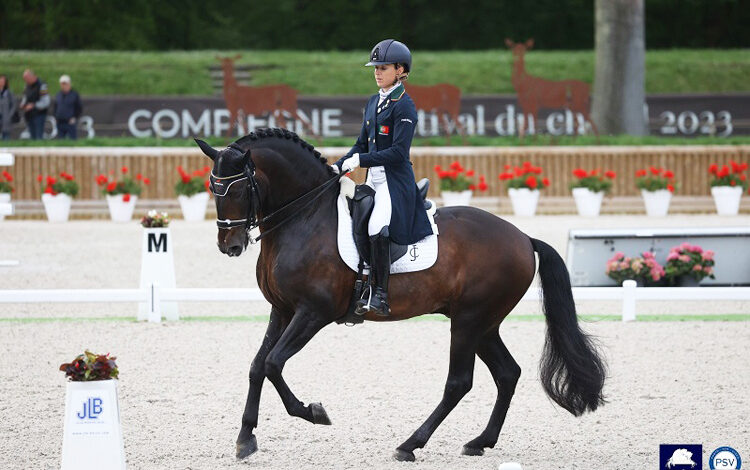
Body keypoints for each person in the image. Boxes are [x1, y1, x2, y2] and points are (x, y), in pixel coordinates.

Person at [332, 39, 432, 317]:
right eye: (375, 67)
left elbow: (398, 153)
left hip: (394, 182)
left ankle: (380, 295)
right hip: (372, 179)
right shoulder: (374, 101)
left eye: (383, 67)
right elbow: (361, 144)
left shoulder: (404, 106)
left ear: (400, 70)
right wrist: (338, 167)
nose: (377, 72)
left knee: (377, 227)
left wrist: (360, 160)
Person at [20, 69, 50, 140]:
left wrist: (33, 105)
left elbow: (46, 102)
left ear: (32, 76)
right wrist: (23, 104)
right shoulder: (27, 86)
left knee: (38, 138)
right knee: (32, 138)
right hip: (29, 115)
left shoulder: (42, 86)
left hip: (39, 115)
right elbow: (25, 97)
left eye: (27, 79)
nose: (26, 81)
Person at [54, 74, 83, 139]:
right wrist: (56, 117)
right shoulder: (58, 94)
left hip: (70, 122)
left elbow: (79, 107)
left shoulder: (74, 94)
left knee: (72, 140)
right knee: (60, 140)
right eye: (62, 84)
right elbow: (55, 107)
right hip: (60, 121)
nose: (64, 86)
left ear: (69, 84)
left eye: (65, 84)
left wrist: (74, 117)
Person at [0, 75, 17, 140]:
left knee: (6, 136)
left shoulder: (9, 93)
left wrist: (9, 115)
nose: (1, 83)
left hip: (6, 119)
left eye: (3, 81)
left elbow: (14, 105)